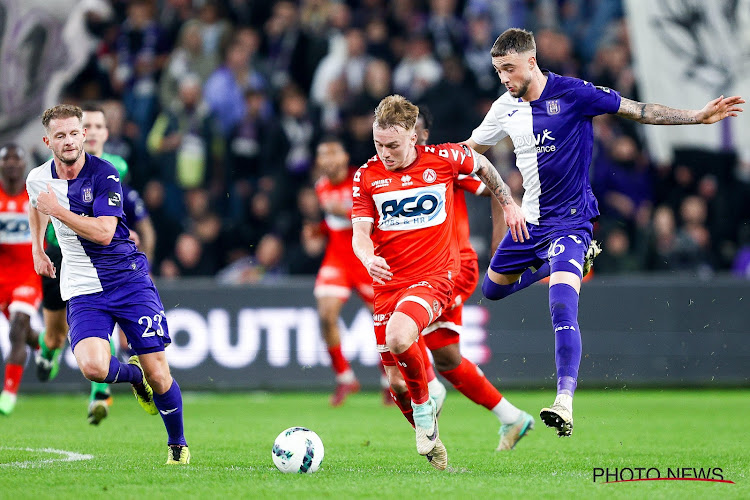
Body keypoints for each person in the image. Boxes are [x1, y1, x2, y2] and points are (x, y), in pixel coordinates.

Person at [466, 28, 745, 437]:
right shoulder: (503, 108)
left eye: (509, 68)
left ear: (531, 61)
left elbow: (639, 110)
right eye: (498, 71)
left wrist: (696, 117)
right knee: (491, 289)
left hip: (571, 222)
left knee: (561, 305)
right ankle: (566, 264)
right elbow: (469, 151)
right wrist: (423, 167)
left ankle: (564, 400)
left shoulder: (575, 93)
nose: (505, 77)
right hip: (530, 223)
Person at [351, 95, 527, 470]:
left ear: (415, 137)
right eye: (378, 144)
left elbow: (483, 167)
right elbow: (360, 234)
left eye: (393, 145)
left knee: (403, 338)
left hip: (440, 275)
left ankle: (428, 404)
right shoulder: (366, 176)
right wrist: (368, 257)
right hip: (389, 286)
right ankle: (440, 441)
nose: (385, 153)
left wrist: (509, 205)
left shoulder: (444, 161)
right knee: (405, 377)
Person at [27, 104, 190, 464]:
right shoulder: (37, 178)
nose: (69, 141)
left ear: (84, 135)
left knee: (160, 373)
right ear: (47, 141)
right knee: (94, 368)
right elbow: (36, 206)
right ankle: (134, 377)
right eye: (60, 135)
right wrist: (38, 248)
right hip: (83, 286)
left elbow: (103, 233)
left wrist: (59, 212)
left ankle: (177, 444)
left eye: (74, 133)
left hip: (128, 280)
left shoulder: (106, 174)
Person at [414, 108, 534, 450]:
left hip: (452, 268)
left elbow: (496, 188)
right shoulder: (388, 172)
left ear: (423, 135)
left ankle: (429, 387)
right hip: (421, 270)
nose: (412, 139)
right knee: (449, 358)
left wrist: (501, 247)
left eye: (417, 132)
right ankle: (512, 418)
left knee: (405, 323)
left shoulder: (442, 163)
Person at [35, 102, 157, 427]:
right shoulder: (49, 169)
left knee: (100, 333)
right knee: (55, 334)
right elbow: (37, 203)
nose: (80, 136)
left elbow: (119, 206)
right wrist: (37, 247)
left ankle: (100, 394)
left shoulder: (113, 167)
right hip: (59, 255)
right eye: (66, 132)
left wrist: (125, 234)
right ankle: (49, 351)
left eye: (94, 127)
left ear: (96, 133)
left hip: (101, 262)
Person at [312, 136, 389, 406]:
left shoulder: (363, 179)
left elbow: (377, 218)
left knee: (382, 321)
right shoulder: (321, 186)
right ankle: (345, 378)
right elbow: (332, 224)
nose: (329, 160)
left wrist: (345, 212)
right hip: (337, 258)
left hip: (366, 257)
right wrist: (316, 232)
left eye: (334, 153)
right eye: (323, 154)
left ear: (345, 158)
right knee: (325, 314)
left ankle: (388, 380)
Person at [0, 144, 43, 415]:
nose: (13, 163)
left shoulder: (36, 196)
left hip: (29, 272)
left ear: (25, 164)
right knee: (24, 333)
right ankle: (44, 343)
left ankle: (9, 393)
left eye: (18, 157)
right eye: (8, 158)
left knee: (17, 329)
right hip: (2, 275)